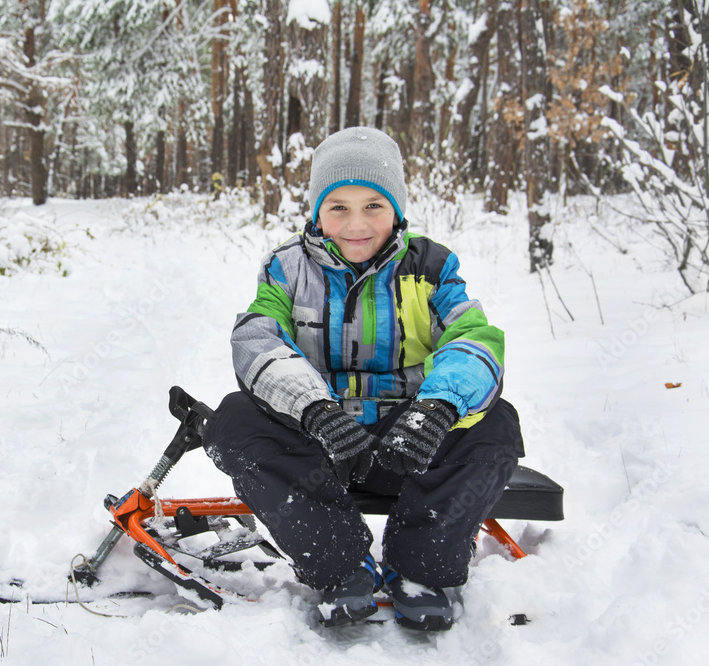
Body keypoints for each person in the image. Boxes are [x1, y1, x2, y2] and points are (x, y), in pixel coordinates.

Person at [202, 126, 524, 631]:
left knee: (496, 422)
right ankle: (341, 566)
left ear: (396, 209)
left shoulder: (432, 267)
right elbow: (257, 339)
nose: (356, 224)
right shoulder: (287, 269)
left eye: (374, 205)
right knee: (234, 419)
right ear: (317, 213)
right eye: (339, 208)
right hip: (323, 449)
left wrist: (437, 409)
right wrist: (316, 409)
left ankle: (421, 570)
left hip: (411, 444)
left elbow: (475, 338)